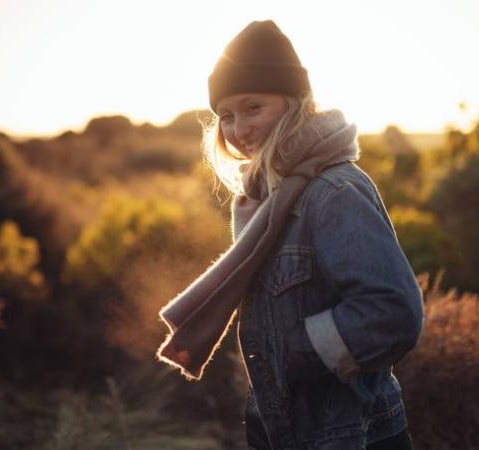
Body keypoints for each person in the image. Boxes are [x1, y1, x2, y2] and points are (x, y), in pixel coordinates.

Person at [157, 20, 424, 450]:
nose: (238, 129)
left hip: (351, 436)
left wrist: (300, 352)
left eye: (252, 107)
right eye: (226, 116)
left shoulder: (334, 191)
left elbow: (393, 311)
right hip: (279, 429)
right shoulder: (262, 199)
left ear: (294, 103)